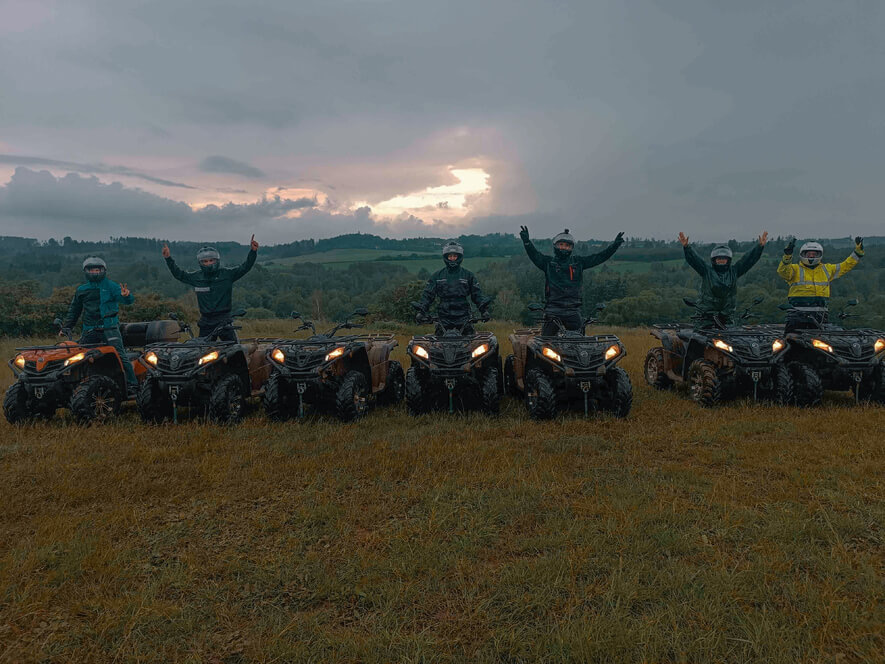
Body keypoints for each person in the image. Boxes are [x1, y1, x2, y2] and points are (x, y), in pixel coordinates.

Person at [519, 226, 624, 336]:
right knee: (545, 341)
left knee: (580, 340)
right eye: (561, 244)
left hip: (573, 310)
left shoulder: (578, 263)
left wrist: (614, 246)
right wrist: (527, 242)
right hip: (553, 310)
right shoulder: (548, 263)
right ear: (555, 246)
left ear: (571, 248)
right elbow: (534, 255)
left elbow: (599, 257)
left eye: (567, 245)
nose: (564, 248)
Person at [61, 256, 138, 393]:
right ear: (86, 271)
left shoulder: (111, 286)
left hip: (109, 328)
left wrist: (126, 296)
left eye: (97, 270)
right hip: (89, 330)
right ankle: (76, 385)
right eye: (92, 270)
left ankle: (133, 384)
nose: (95, 272)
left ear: (103, 270)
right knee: (78, 357)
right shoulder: (81, 290)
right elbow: (74, 310)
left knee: (120, 355)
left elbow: (127, 300)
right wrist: (67, 327)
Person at [162, 235, 259, 341]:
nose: (208, 264)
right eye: (205, 261)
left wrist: (253, 252)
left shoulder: (227, 274)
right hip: (206, 321)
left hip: (224, 320)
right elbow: (179, 274)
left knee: (233, 348)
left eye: (211, 260)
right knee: (202, 349)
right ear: (200, 263)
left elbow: (245, 267)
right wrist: (168, 258)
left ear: (217, 260)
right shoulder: (196, 277)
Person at [678, 231, 768, 328]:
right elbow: (695, 260)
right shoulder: (706, 271)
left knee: (735, 335)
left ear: (728, 260)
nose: (721, 260)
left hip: (727, 318)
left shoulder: (734, 271)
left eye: (724, 258)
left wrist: (759, 247)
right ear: (714, 260)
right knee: (698, 336)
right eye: (719, 258)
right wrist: (687, 247)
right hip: (706, 318)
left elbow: (748, 260)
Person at [777, 236, 864, 332]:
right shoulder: (795, 269)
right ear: (802, 254)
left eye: (814, 254)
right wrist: (787, 256)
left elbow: (846, 265)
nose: (811, 256)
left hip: (820, 316)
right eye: (808, 254)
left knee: (822, 341)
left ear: (820, 255)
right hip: (797, 316)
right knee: (791, 339)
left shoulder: (827, 269)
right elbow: (783, 272)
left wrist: (857, 253)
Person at [415, 241, 492, 335]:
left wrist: (484, 310)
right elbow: (428, 294)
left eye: (454, 256)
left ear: (459, 257)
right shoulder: (437, 276)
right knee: (437, 342)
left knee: (472, 341)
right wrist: (421, 311)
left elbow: (477, 294)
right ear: (446, 257)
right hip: (443, 318)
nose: (452, 259)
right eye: (450, 256)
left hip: (464, 317)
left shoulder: (468, 275)